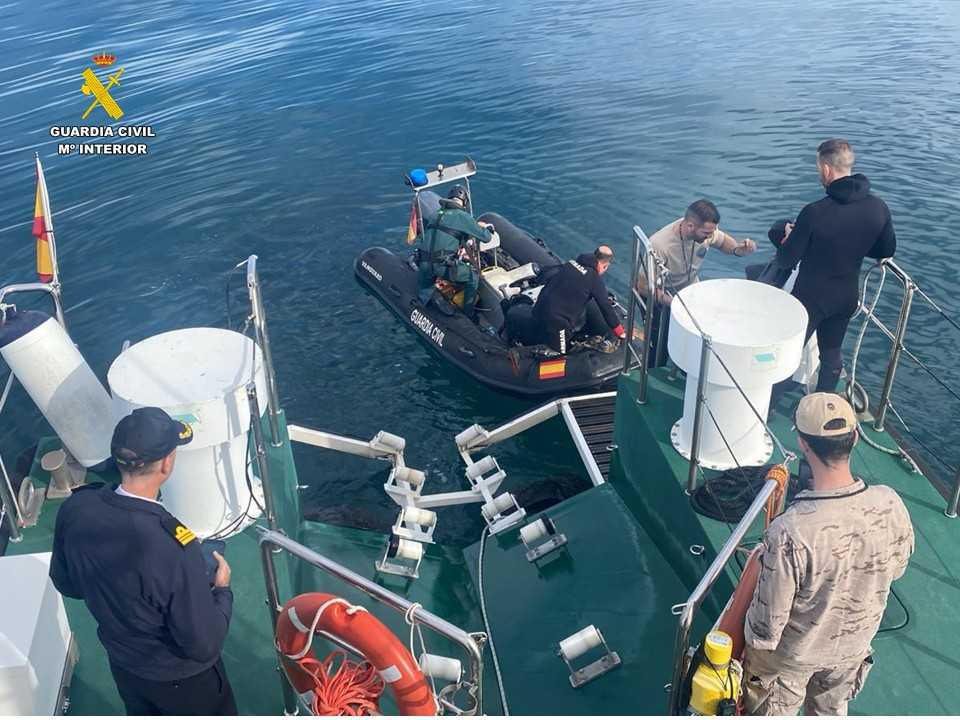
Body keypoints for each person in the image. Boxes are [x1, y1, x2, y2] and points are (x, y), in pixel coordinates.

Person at [50, 407, 237, 715]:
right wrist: (222, 590)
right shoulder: (175, 548)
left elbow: (67, 583)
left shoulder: (76, 508)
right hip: (185, 684)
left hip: (127, 669)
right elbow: (203, 643)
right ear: (167, 463)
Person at [742, 393, 914, 716]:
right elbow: (897, 568)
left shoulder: (789, 532)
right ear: (856, 437)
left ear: (803, 445)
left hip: (791, 662)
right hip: (851, 653)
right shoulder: (890, 504)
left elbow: (766, 631)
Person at [771, 139, 896, 394]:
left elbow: (786, 259)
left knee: (789, 353)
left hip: (811, 297)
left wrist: (786, 235)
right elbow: (886, 250)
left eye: (818, 167)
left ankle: (767, 406)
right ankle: (824, 405)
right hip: (846, 296)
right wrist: (855, 246)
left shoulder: (815, 212)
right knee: (831, 354)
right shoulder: (878, 207)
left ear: (826, 169)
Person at [639, 199, 757, 365]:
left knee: (697, 331)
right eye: (706, 233)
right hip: (660, 293)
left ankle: (687, 369)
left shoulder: (707, 232)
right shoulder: (660, 245)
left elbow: (723, 242)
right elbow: (643, 286)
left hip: (688, 288)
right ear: (690, 227)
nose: (710, 236)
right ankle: (653, 371)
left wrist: (738, 250)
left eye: (712, 232)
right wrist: (672, 302)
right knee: (661, 339)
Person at [416, 184, 494, 321]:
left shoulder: (436, 214)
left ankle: (423, 302)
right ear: (464, 201)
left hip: (423, 263)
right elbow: (486, 238)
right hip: (441, 266)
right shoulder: (463, 217)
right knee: (472, 276)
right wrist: (484, 228)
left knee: (425, 286)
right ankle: (468, 314)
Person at [528, 245, 625, 353]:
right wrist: (620, 332)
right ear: (605, 265)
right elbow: (606, 307)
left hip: (538, 311)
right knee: (559, 355)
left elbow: (547, 274)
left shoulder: (570, 264)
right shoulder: (594, 279)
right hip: (557, 322)